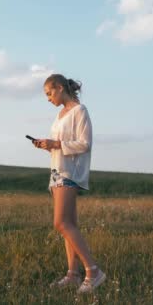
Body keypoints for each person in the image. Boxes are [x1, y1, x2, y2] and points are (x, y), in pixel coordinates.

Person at [32, 73, 106, 293]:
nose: (48, 98)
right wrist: (48, 145)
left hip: (69, 173)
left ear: (61, 88)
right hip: (56, 172)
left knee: (61, 223)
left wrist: (55, 143)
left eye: (49, 93)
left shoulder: (79, 111)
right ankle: (73, 275)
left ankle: (93, 272)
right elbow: (60, 145)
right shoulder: (59, 116)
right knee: (69, 226)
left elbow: (84, 144)